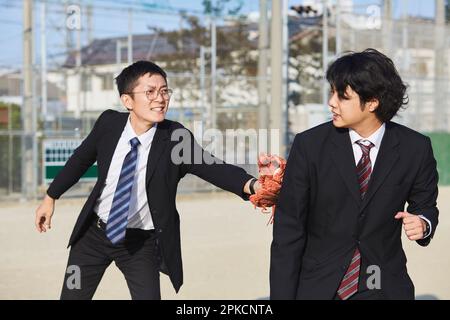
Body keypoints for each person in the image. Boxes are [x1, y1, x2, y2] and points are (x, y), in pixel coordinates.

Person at [35, 60, 266, 300]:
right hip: (92, 236)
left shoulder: (174, 138)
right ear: (127, 101)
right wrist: (50, 197)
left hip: (140, 244)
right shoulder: (109, 124)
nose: (160, 98)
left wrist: (253, 185)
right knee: (72, 295)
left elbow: (213, 167)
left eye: (164, 91)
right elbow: (79, 160)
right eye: (150, 92)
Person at [270, 49, 439, 300]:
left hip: (382, 284)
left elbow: (425, 205)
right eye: (332, 92)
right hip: (319, 286)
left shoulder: (415, 148)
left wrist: (423, 223)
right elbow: (288, 231)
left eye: (343, 96)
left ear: (372, 102)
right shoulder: (309, 146)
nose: (332, 102)